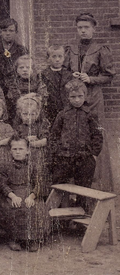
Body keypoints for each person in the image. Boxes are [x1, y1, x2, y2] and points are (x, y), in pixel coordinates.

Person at [64, 13, 116, 191]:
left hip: (93, 98)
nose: (83, 31)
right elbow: (63, 70)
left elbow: (109, 76)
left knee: (95, 135)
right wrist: (72, 76)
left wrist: (91, 79)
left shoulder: (101, 49)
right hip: (74, 97)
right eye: (80, 27)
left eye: (86, 27)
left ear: (93, 28)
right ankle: (75, 187)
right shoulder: (70, 49)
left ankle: (99, 185)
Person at [50, 79, 103, 209]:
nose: (77, 100)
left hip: (84, 158)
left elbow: (97, 136)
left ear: (85, 96)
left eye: (80, 96)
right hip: (64, 157)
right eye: (73, 97)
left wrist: (93, 155)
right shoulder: (62, 115)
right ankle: (60, 222)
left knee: (83, 189)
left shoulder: (90, 115)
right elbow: (54, 135)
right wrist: (57, 152)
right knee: (60, 187)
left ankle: (80, 223)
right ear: (67, 97)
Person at [0, 137, 50, 252]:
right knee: (12, 207)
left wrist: (32, 196)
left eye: (21, 148)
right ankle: (14, 238)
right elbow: (1, 184)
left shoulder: (34, 165)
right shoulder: (4, 165)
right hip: (11, 193)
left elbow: (40, 183)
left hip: (30, 192)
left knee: (35, 207)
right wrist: (12, 196)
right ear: (10, 151)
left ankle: (33, 239)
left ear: (28, 150)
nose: (18, 151)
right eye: (14, 149)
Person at [13, 94, 51, 197]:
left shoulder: (41, 125)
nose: (29, 117)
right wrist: (26, 140)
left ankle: (39, 195)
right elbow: (15, 140)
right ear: (20, 113)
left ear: (38, 113)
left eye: (32, 114)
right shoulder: (19, 127)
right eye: (25, 114)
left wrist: (32, 143)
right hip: (23, 157)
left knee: (39, 174)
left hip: (38, 155)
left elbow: (45, 141)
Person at [6, 55, 47, 122]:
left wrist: (34, 100)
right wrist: (31, 96)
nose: (24, 70)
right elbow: (14, 97)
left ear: (33, 69)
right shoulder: (14, 83)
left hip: (35, 111)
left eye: (28, 67)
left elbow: (42, 95)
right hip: (19, 112)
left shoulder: (38, 82)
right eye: (21, 67)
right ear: (16, 70)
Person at [0, 18, 28, 93]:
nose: (7, 33)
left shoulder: (22, 50)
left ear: (16, 32)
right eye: (4, 30)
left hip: (17, 88)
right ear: (0, 32)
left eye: (11, 30)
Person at [41, 45, 73, 124]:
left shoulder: (69, 75)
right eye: (54, 57)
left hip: (65, 107)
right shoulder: (43, 74)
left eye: (60, 56)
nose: (57, 59)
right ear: (48, 58)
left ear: (64, 58)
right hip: (50, 108)